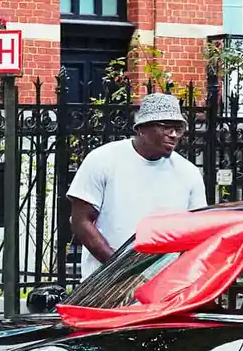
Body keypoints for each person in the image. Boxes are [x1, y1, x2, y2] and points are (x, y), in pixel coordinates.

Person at [66, 93, 207, 278]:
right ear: (141, 128)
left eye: (178, 129)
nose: (173, 135)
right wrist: (121, 269)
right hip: (105, 285)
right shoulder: (103, 160)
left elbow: (197, 233)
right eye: (165, 127)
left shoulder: (188, 173)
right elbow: (80, 222)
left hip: (162, 288)